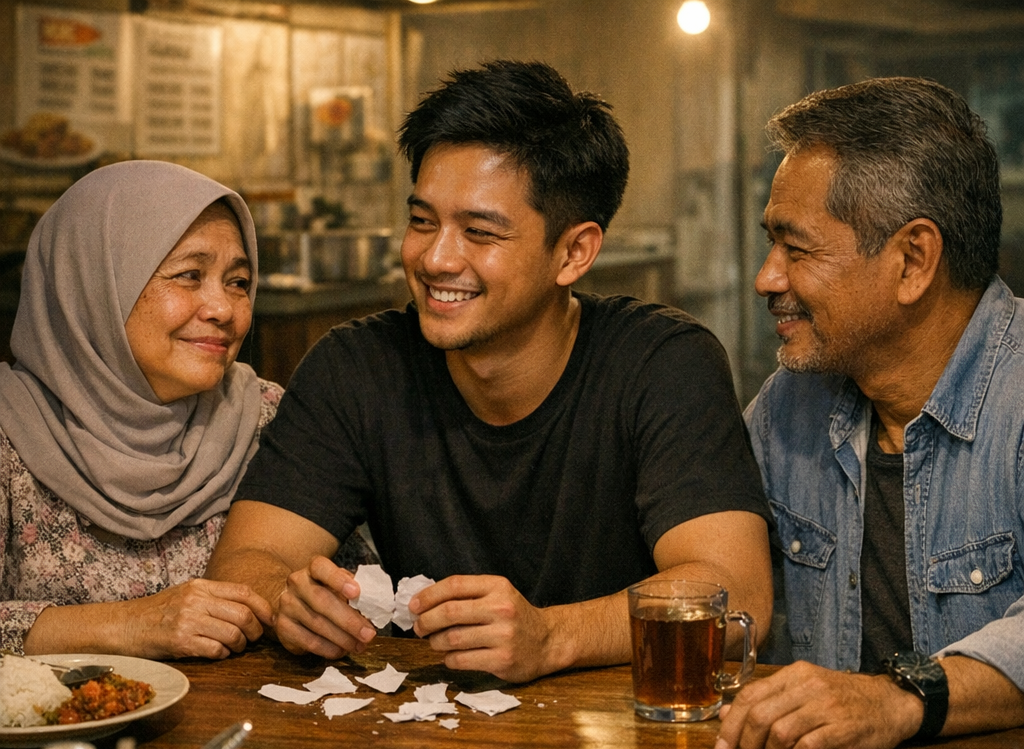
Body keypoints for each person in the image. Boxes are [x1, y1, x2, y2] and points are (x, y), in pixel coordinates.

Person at [207, 60, 773, 682]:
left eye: (479, 232)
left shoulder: (663, 363)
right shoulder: (357, 368)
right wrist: (290, 601)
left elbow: (735, 594)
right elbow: (247, 561)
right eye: (422, 221)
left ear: (573, 252)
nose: (435, 257)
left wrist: (552, 636)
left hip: (625, 733)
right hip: (421, 740)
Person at [716, 78, 1024, 749]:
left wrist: (901, 697)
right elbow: (723, 589)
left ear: (913, 258)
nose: (767, 278)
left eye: (793, 246)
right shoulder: (789, 408)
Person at [0, 160, 367, 660]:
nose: (223, 308)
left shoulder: (268, 417)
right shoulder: (10, 433)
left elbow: (354, 589)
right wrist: (128, 625)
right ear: (93, 285)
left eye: (238, 282)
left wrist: (312, 606)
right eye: (190, 276)